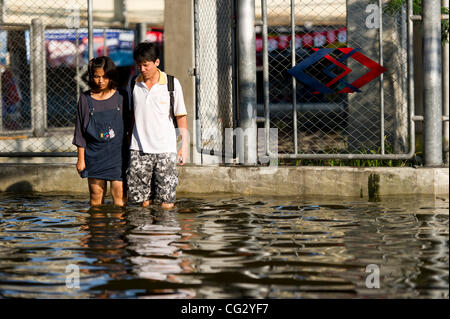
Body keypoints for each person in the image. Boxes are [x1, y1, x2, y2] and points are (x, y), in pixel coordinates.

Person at [126, 42, 188, 209]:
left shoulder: (171, 84)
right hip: (138, 149)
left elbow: (181, 116)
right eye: (139, 65)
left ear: (157, 62)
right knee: (141, 202)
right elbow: (132, 116)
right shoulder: (133, 84)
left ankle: (165, 233)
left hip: (166, 149)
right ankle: (144, 233)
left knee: (167, 201)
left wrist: (184, 147)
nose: (142, 69)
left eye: (146, 65)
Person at [72, 56, 130, 206]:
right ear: (91, 76)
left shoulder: (121, 96)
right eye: (97, 76)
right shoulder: (85, 99)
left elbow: (130, 127)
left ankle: (120, 228)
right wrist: (81, 159)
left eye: (105, 76)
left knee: (120, 195)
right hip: (95, 156)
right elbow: (80, 131)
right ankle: (96, 227)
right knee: (96, 195)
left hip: (118, 156)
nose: (101, 81)